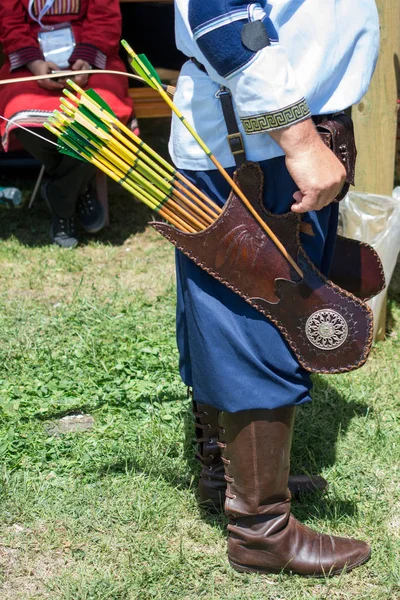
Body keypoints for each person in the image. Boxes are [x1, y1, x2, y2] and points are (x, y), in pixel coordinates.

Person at [170, 0, 379, 577]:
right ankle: (260, 529)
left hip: (273, 138)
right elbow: (220, 16)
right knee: (258, 321)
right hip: (258, 147)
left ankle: (225, 473)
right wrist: (300, 139)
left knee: (243, 316)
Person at [0, 0, 138, 248]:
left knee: (101, 119)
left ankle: (61, 199)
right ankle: (79, 189)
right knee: (23, 121)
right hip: (32, 63)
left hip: (90, 61)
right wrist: (35, 64)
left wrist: (85, 59)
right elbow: (9, 20)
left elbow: (105, 16)